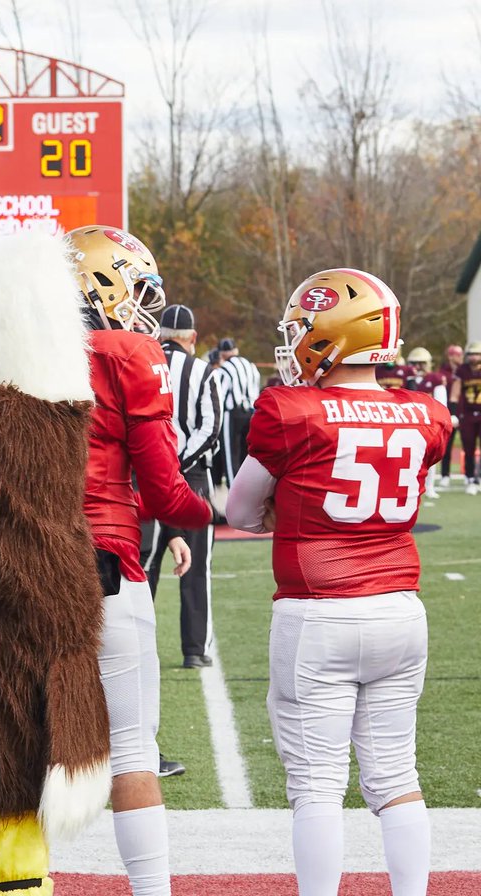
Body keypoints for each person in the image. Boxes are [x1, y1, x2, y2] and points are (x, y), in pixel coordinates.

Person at [226, 268, 450, 896]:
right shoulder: (424, 413)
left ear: (332, 335)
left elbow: (239, 512)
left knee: (317, 786)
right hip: (400, 610)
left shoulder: (290, 410)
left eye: (303, 328)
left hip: (318, 612)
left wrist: (286, 507)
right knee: (396, 776)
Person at [68, 226, 213, 896]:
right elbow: (163, 491)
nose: (143, 309)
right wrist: (218, 514)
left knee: (13, 752)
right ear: (102, 283)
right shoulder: (127, 350)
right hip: (101, 560)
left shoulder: (2, 344)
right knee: (130, 747)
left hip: (13, 568)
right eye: (136, 290)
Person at [141, 305, 224, 670]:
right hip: (191, 478)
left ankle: (139, 645)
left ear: (160, 334)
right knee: (196, 568)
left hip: (145, 475)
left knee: (143, 565)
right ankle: (194, 649)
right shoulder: (203, 371)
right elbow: (211, 427)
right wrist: (179, 464)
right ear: (192, 338)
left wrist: (160, 465)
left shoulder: (144, 363)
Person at [406, 347, 452, 499]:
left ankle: (429, 486)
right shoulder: (407, 380)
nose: (418, 367)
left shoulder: (435, 379)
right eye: (414, 363)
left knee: (430, 457)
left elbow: (441, 403)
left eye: (421, 363)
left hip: (429, 423)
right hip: (411, 423)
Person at [216, 336, 260, 485]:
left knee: (230, 454)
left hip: (232, 413)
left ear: (222, 353)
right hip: (251, 412)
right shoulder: (250, 366)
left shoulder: (224, 369)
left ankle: (233, 487)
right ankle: (247, 487)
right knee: (247, 454)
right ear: (236, 350)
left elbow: (220, 395)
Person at [449, 342, 481, 494]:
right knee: (468, 448)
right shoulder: (462, 370)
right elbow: (455, 393)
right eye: (471, 354)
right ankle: (470, 477)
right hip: (467, 414)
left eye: (477, 354)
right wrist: (453, 412)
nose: (474, 357)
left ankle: (478, 477)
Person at [438, 344, 463, 487]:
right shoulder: (443, 373)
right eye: (457, 355)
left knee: (469, 444)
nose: (460, 357)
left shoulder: (465, 371)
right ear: (450, 356)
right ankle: (445, 474)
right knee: (446, 446)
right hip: (448, 412)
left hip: (464, 412)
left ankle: (472, 476)